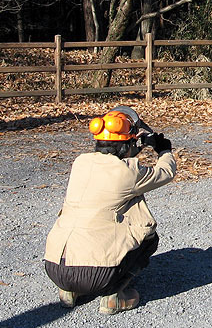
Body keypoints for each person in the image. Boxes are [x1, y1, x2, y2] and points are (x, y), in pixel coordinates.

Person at [44, 106, 176, 314]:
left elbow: (113, 164)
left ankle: (69, 291)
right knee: (149, 237)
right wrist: (163, 149)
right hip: (96, 275)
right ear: (129, 143)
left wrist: (134, 146)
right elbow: (166, 172)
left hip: (55, 267)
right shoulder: (128, 172)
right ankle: (113, 295)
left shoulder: (80, 163)